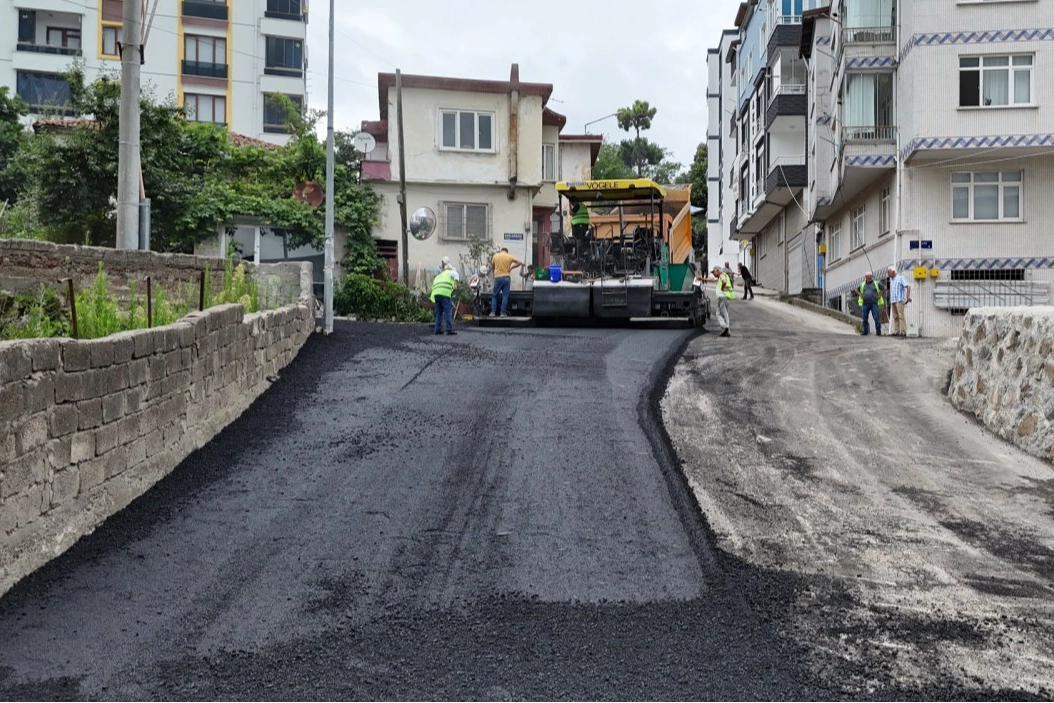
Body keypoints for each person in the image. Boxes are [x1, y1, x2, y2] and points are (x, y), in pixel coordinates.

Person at [490, 247, 523, 317]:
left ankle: (493, 312)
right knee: (505, 296)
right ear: (506, 252)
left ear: (501, 251)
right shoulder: (509, 256)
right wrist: (511, 268)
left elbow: (492, 267)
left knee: (495, 295)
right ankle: (503, 313)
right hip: (506, 278)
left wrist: (495, 273)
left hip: (498, 277)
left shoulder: (495, 256)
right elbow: (520, 262)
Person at [430, 265, 457, 335]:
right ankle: (449, 329)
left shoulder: (439, 276)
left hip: (436, 294)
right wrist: (456, 285)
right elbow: (456, 277)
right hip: (444, 294)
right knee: (448, 312)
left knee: (439, 313)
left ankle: (437, 329)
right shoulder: (451, 273)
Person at [857, 271, 885, 336]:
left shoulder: (876, 283)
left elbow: (884, 288)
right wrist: (860, 295)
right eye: (868, 276)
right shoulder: (862, 284)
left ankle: (878, 331)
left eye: (870, 276)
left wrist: (880, 295)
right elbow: (856, 290)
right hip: (865, 304)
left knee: (876, 317)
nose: (869, 277)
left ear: (872, 276)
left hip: (874, 303)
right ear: (865, 277)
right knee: (864, 318)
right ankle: (865, 331)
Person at [886, 266, 912, 337]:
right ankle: (897, 331)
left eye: (889, 272)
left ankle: (903, 332)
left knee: (901, 316)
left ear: (893, 272)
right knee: (895, 317)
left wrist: (908, 296)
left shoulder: (900, 278)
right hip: (893, 300)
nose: (888, 274)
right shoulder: (892, 280)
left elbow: (908, 286)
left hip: (899, 300)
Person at [712, 265, 735, 337]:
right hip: (727, 297)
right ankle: (727, 331)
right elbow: (712, 280)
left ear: (717, 271)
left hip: (722, 297)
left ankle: (725, 327)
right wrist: (703, 279)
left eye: (714, 272)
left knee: (718, 314)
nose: (713, 274)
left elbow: (724, 282)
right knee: (725, 314)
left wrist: (723, 288)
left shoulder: (722, 275)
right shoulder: (723, 275)